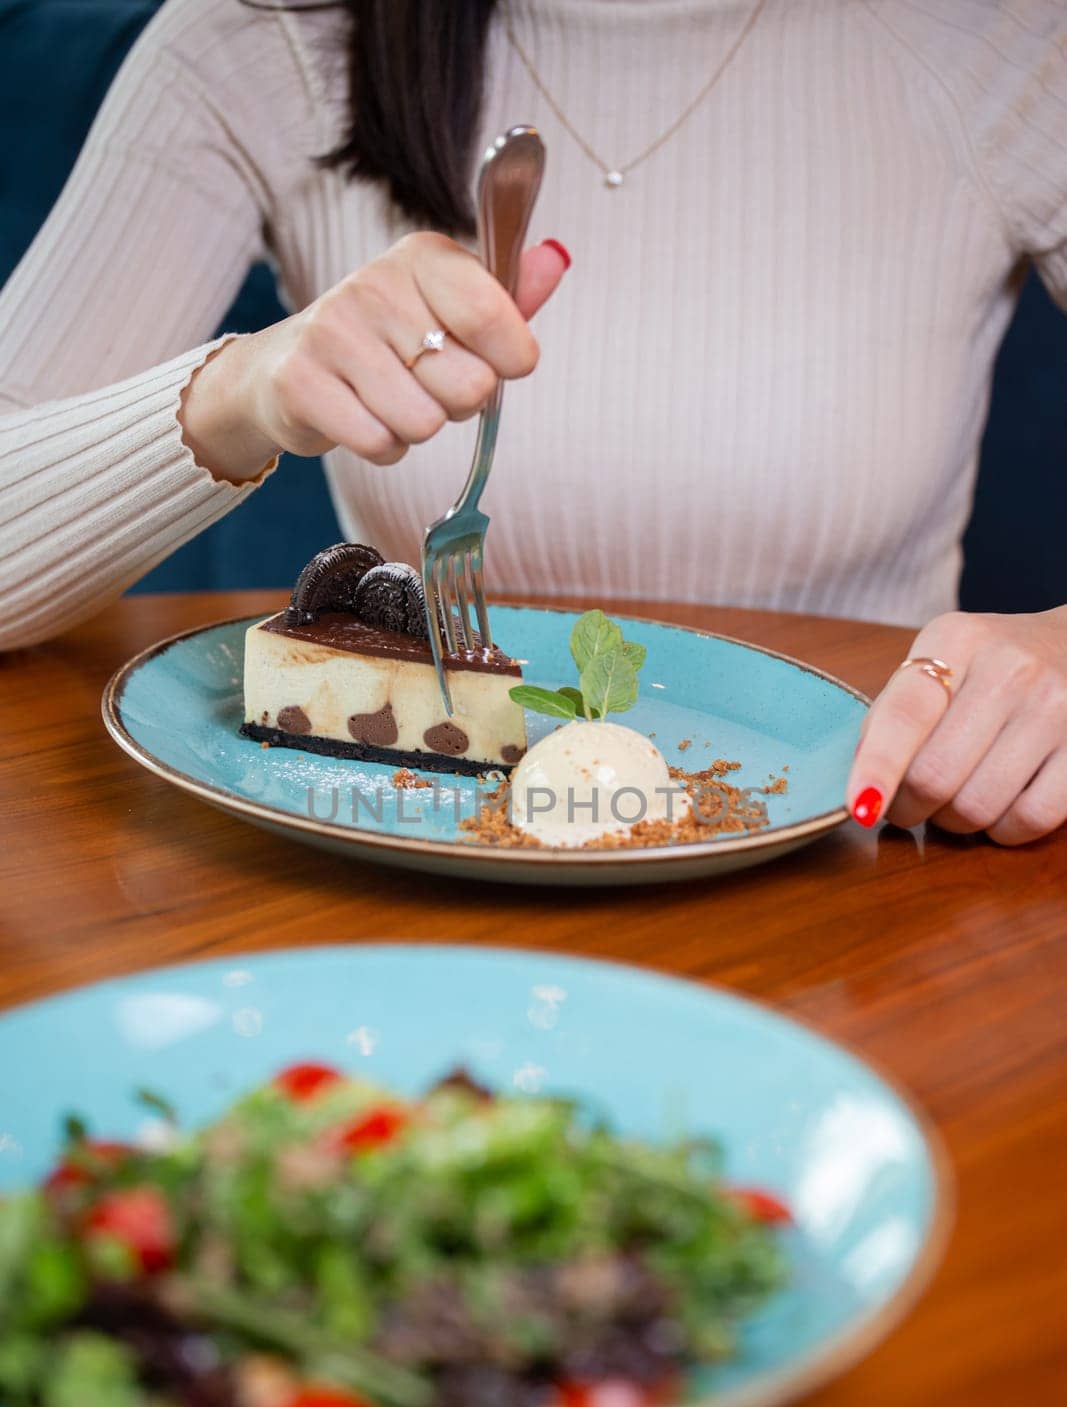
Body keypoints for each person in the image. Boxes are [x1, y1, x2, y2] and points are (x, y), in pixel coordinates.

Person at [1, 0, 1065, 843]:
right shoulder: (269, 38)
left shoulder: (1002, 38)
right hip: (389, 864)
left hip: (855, 868)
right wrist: (245, 392)